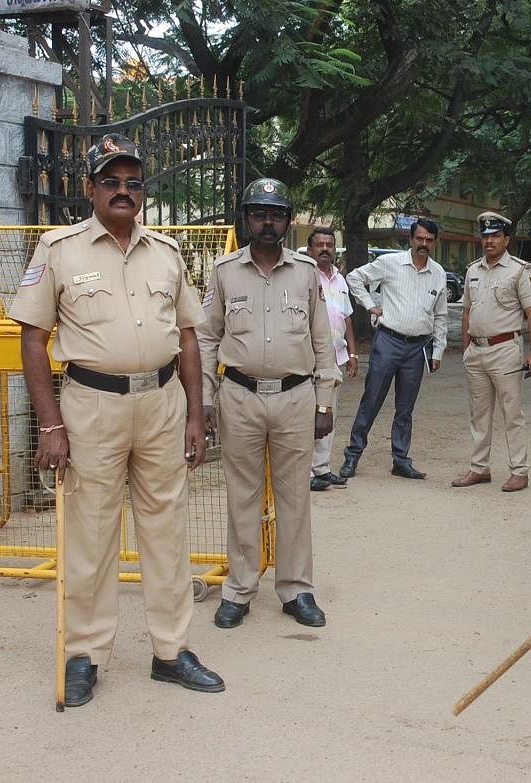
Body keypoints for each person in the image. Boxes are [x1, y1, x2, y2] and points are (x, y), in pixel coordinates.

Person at [11, 132, 223, 708]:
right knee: (91, 536)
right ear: (89, 189)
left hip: (161, 404)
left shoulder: (167, 253)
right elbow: (33, 340)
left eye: (133, 183)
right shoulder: (59, 250)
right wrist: (50, 424)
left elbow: (189, 338)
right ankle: (84, 654)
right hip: (90, 409)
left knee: (167, 531)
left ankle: (171, 651)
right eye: (111, 181)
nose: (123, 191)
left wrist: (197, 413)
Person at [197, 178, 341, 630]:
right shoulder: (223, 272)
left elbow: (323, 341)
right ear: (246, 219)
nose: (266, 222)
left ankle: (296, 589)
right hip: (239, 395)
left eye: (275, 214)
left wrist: (325, 402)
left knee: (295, 496)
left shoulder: (305, 274)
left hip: (296, 398)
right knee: (243, 496)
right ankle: (238, 591)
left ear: (286, 221)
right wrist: (203, 399)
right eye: (258, 213)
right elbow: (205, 337)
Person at [338, 218, 448, 480]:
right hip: (388, 342)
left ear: (434, 242)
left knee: (405, 407)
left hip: (417, 348)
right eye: (419, 238)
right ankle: (352, 456)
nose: (424, 244)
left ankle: (401, 460)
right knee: (372, 400)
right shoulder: (390, 263)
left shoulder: (439, 274)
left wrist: (438, 352)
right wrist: (369, 304)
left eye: (429, 240)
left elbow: (441, 316)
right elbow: (354, 277)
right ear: (410, 239)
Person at [452, 212, 531, 492]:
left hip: (505, 349)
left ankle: (519, 471)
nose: (489, 241)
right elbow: (467, 312)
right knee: (478, 413)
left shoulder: (519, 270)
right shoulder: (472, 270)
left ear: (506, 239)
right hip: (476, 351)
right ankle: (479, 468)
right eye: (485, 236)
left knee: (511, 412)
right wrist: (466, 347)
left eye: (495, 236)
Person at [307, 227, 358, 491]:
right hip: (309, 360)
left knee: (329, 415)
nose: (325, 249)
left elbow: (347, 317)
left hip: (336, 357)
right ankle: (305, 474)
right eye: (319, 245)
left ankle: (323, 469)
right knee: (308, 416)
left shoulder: (340, 279)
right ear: (310, 249)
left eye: (329, 244)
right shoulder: (303, 275)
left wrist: (352, 353)